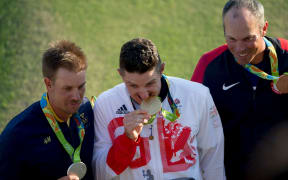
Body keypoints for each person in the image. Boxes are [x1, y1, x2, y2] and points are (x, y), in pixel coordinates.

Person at [92, 38, 225, 180]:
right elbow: (100, 173)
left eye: (150, 83)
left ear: (161, 69)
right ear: (121, 75)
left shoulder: (198, 96)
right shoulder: (105, 104)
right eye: (133, 86)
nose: (143, 95)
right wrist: (127, 139)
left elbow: (213, 159)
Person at [191, 0, 288, 179]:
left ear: (264, 28)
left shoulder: (286, 56)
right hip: (232, 173)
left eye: (248, 38)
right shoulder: (209, 65)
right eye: (232, 39)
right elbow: (190, 119)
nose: (240, 48)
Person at [0, 40, 94, 180]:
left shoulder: (87, 111)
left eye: (81, 87)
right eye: (67, 88)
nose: (76, 97)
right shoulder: (17, 134)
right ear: (48, 84)